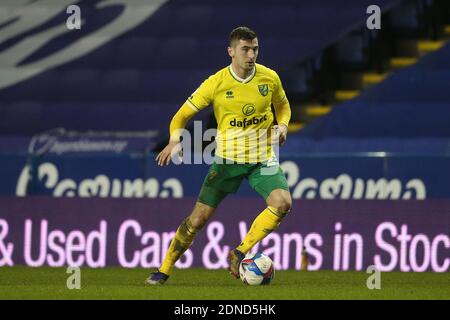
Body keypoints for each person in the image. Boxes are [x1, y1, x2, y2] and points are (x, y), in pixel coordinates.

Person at [146, 26, 292, 285]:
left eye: (255, 49)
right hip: (227, 160)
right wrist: (174, 140)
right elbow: (181, 116)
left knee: (282, 203)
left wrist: (282, 125)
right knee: (198, 219)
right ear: (231, 52)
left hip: (262, 158)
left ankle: (239, 251)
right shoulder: (216, 83)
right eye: (245, 49)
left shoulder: (269, 78)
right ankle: (164, 269)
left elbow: (283, 106)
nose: (251, 55)